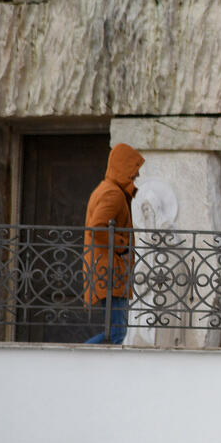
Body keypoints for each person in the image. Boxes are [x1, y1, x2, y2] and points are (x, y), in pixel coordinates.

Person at [82, 143, 145, 344]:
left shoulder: (110, 190)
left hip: (109, 270)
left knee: (115, 333)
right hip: (110, 271)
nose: (136, 176)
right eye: (134, 170)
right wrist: (123, 246)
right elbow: (98, 228)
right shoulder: (113, 194)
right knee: (117, 334)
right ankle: (76, 357)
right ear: (123, 167)